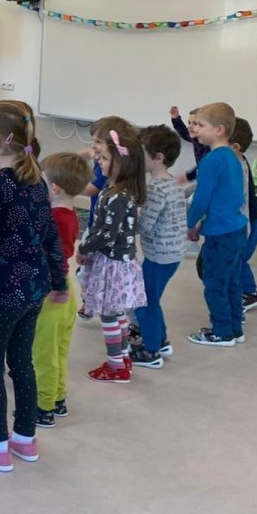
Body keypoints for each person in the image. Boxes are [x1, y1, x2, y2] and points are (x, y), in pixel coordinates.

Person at [0, 101, 67, 473]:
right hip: (35, 289)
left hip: (3, 292)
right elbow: (50, 234)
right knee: (21, 362)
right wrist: (59, 279)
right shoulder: (36, 179)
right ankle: (25, 438)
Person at [78, 130, 148, 383]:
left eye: (105, 158)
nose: (99, 161)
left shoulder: (119, 196)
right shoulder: (115, 190)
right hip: (117, 263)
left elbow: (106, 233)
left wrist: (84, 248)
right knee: (117, 313)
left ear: (122, 165)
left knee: (109, 314)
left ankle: (116, 366)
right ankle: (124, 358)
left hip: (113, 265)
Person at [32, 152, 90, 424]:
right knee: (58, 350)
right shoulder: (70, 215)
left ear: (53, 188)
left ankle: (43, 408)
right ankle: (57, 398)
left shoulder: (51, 219)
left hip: (51, 291)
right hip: (65, 286)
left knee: (43, 353)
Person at [185, 102, 249, 347]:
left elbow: (201, 198)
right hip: (236, 228)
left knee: (214, 283)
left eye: (201, 125)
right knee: (232, 281)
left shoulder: (211, 160)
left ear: (219, 130)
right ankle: (235, 328)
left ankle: (222, 332)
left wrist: (190, 222)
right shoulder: (233, 156)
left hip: (221, 233)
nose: (196, 130)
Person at [129, 125, 186, 369]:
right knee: (151, 298)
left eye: (141, 153)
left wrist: (126, 219)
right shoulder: (171, 182)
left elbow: (145, 225)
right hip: (172, 254)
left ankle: (151, 352)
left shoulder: (154, 189)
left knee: (144, 302)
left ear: (158, 157)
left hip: (159, 256)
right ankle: (160, 341)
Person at [76, 116, 138, 321]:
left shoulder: (111, 174)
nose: (94, 148)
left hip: (105, 239)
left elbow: (107, 232)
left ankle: (97, 304)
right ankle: (92, 302)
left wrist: (68, 185)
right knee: (88, 273)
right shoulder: (108, 163)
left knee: (95, 279)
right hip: (98, 228)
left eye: (97, 142)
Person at [229, 119, 257, 311]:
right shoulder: (235, 160)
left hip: (250, 220)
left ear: (235, 146)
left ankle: (250, 293)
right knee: (236, 258)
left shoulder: (237, 164)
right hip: (247, 219)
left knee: (239, 258)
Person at [170, 104, 209, 184]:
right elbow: (184, 132)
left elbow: (205, 165)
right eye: (189, 123)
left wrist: (187, 177)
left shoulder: (209, 145)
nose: (190, 126)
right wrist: (176, 118)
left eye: (195, 123)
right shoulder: (196, 138)